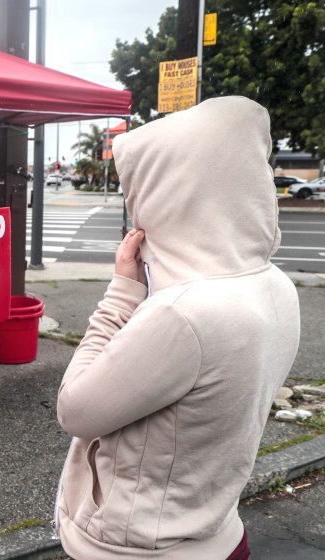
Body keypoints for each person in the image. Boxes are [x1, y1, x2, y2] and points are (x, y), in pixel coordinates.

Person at [55, 97, 300, 560]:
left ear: (166, 193)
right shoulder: (276, 287)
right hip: (219, 529)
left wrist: (121, 293)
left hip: (138, 547)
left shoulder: (184, 315)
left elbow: (74, 410)